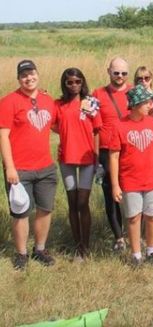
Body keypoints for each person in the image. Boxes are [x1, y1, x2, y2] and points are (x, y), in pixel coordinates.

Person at [0, 60, 58, 269]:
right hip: (20, 170)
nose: (28, 78)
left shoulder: (48, 100)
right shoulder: (8, 102)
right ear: (18, 79)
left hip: (46, 168)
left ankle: (39, 249)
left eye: (31, 73)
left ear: (37, 74)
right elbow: (3, 137)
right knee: (20, 212)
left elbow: (57, 126)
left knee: (45, 209)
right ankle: (21, 254)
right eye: (24, 75)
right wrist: (10, 167)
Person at [110, 85, 153, 267]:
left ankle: (151, 251)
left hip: (152, 179)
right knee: (134, 217)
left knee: (152, 216)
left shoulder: (152, 123)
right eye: (146, 102)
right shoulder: (120, 125)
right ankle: (136, 254)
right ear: (135, 105)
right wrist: (115, 185)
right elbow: (114, 156)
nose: (150, 105)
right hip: (130, 180)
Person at [55, 68, 101, 259]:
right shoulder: (58, 104)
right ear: (64, 84)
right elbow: (52, 124)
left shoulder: (90, 102)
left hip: (86, 158)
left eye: (77, 81)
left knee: (83, 202)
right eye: (70, 82)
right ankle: (78, 246)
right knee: (72, 202)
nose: (74, 85)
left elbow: (97, 130)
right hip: (66, 158)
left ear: (82, 82)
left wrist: (97, 156)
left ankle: (86, 245)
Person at [92, 57, 132, 251]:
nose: (120, 76)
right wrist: (95, 157)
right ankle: (119, 237)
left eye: (124, 73)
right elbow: (92, 126)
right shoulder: (98, 94)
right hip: (107, 151)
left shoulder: (134, 92)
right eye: (116, 72)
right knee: (111, 194)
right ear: (108, 71)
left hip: (131, 150)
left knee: (133, 192)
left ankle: (135, 234)